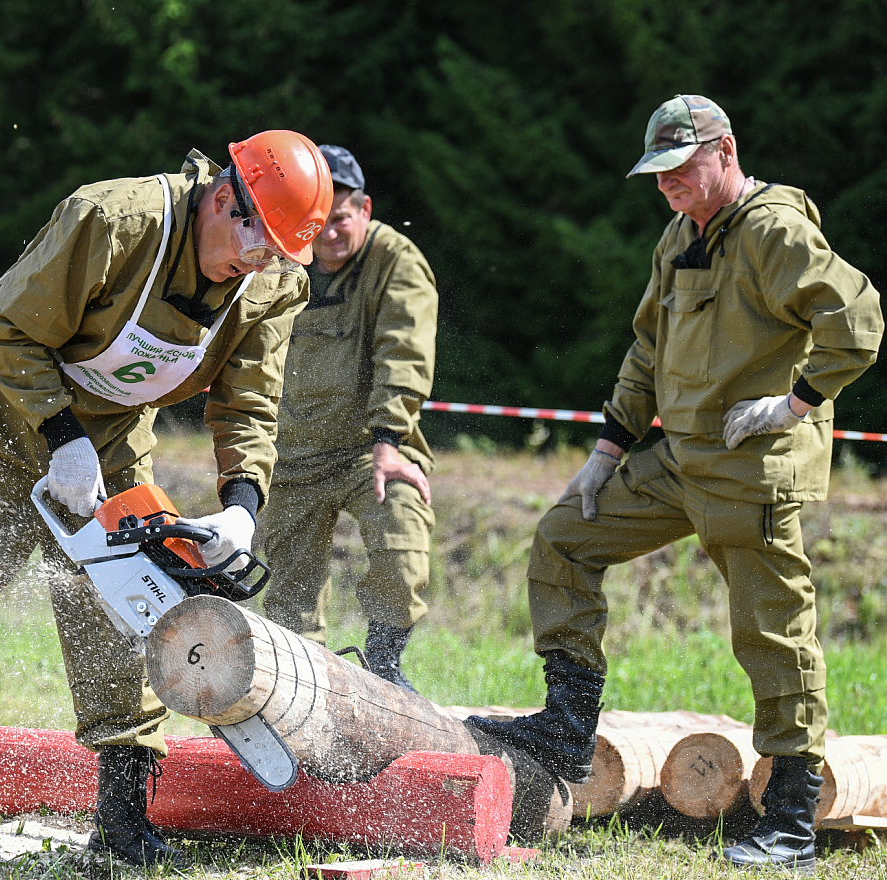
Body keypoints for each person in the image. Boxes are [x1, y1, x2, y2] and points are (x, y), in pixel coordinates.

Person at [0, 131, 334, 867]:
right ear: (221, 199)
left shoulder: (271, 285)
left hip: (110, 431)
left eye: (278, 251)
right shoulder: (114, 221)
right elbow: (7, 329)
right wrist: (58, 434)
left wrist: (242, 504)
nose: (259, 260)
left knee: (127, 599)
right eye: (257, 240)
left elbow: (248, 402)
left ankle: (121, 817)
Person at [466, 95, 883, 872]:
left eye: (682, 168)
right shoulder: (680, 235)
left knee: (771, 634)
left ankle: (790, 816)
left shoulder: (772, 229)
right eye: (658, 174)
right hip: (677, 463)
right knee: (564, 535)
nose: (669, 185)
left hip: (752, 472)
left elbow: (858, 321)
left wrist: (793, 402)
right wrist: (607, 448)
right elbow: (648, 350)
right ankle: (567, 727)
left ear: (725, 151)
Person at [259, 145, 438, 693]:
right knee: (288, 602)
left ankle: (384, 666)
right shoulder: (280, 258)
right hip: (292, 455)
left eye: (341, 219)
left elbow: (404, 350)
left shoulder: (394, 259)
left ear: (364, 209)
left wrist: (390, 439)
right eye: (317, 224)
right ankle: (302, 698)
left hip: (371, 449)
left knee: (402, 530)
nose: (329, 235)